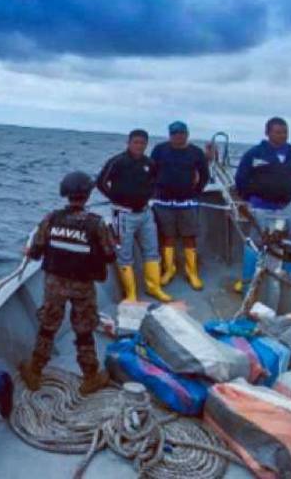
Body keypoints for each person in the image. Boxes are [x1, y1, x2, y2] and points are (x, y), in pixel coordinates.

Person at [19, 171, 117, 395]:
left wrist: (28, 251)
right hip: (83, 287)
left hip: (54, 284)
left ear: (66, 194)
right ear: (88, 195)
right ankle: (90, 377)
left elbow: (36, 251)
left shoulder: (51, 219)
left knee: (47, 326)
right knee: (84, 330)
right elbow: (110, 255)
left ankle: (35, 371)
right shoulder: (96, 224)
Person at [96, 129, 171, 302]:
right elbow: (101, 182)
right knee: (124, 254)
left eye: (142, 143)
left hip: (145, 213)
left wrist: (147, 196)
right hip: (122, 215)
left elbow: (155, 182)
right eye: (136, 142)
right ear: (128, 143)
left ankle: (154, 287)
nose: (139, 146)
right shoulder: (117, 161)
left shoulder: (149, 163)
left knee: (152, 251)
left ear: (146, 145)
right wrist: (116, 198)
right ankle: (131, 294)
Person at [151, 121, 210, 290]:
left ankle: (192, 272)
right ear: (170, 135)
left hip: (187, 202)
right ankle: (169, 269)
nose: (178, 136)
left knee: (189, 237)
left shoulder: (196, 152)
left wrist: (195, 191)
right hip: (163, 202)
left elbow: (204, 175)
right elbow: (151, 172)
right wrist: (154, 191)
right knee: (167, 236)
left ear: (187, 134)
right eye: (174, 133)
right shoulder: (159, 150)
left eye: (181, 133)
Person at [235, 117, 291, 242]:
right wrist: (248, 198)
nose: (283, 135)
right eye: (278, 132)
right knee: (260, 240)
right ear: (267, 133)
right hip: (261, 208)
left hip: (287, 208)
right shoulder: (254, 154)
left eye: (285, 132)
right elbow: (241, 178)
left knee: (290, 239)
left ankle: (286, 253)